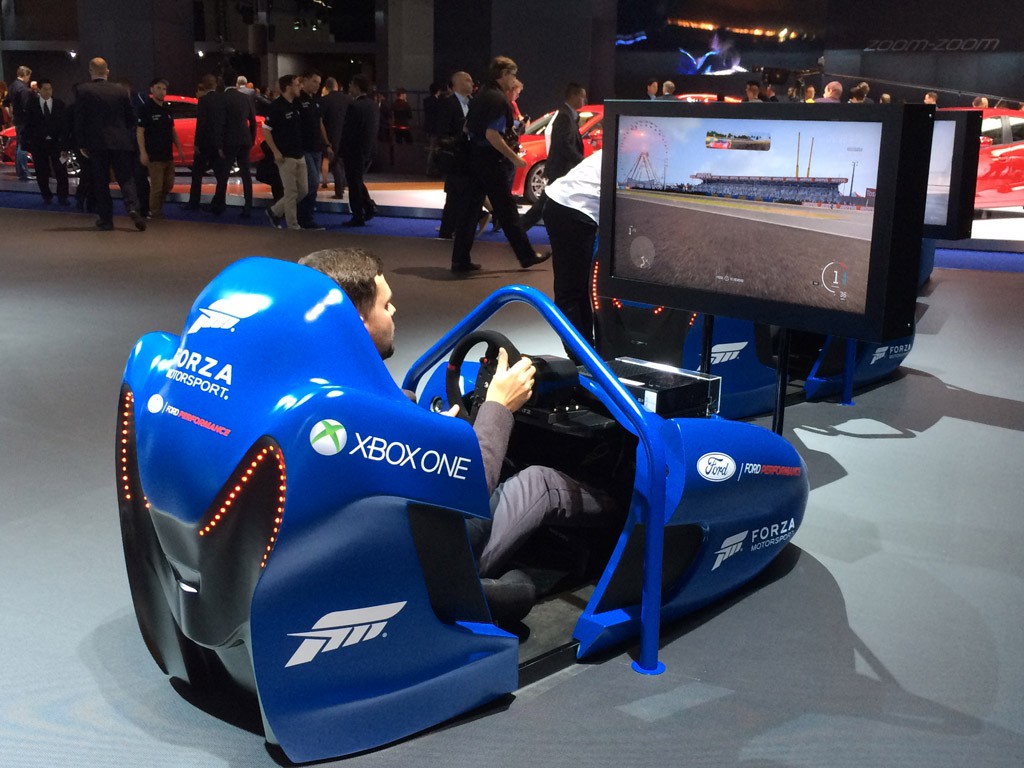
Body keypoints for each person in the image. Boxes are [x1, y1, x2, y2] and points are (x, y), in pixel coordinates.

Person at [297, 247, 615, 614]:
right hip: (422, 559)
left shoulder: (322, 387)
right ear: (357, 321)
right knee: (538, 482)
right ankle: (625, 513)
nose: (394, 311)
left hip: (371, 548)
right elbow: (470, 489)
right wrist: (499, 404)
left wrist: (427, 426)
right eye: (386, 305)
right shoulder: (371, 411)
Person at [450, 56, 549, 273]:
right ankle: (526, 255)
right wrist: (515, 158)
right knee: (507, 210)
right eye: (512, 75)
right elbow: (492, 135)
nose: (514, 79)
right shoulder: (497, 99)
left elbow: (467, 127)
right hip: (490, 161)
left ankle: (460, 259)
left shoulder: (480, 95)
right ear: (504, 74)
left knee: (469, 211)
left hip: (473, 159)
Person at [73, 57, 146, 231]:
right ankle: (133, 208)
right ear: (107, 71)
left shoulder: (83, 90)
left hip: (97, 143)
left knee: (101, 181)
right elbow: (131, 117)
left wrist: (81, 143)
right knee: (126, 178)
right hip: (120, 142)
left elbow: (79, 119)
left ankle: (106, 219)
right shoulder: (120, 90)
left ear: (90, 71)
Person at [542, 150, 602, 347]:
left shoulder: (622, 148)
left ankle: (586, 349)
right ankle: (578, 353)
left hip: (568, 207)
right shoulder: (625, 152)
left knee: (578, 289)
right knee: (569, 291)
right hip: (571, 210)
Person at [519, 82, 587, 231]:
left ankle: (520, 229)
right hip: (561, 169)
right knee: (543, 204)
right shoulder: (564, 116)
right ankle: (519, 229)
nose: (584, 100)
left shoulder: (569, 116)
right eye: (582, 96)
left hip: (563, 169)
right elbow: (564, 144)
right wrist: (581, 161)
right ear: (573, 96)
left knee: (547, 204)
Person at [263, 74, 307, 230]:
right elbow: (266, 130)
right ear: (288, 87)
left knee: (303, 190)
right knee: (291, 192)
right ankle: (293, 226)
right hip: (285, 156)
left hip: (299, 153)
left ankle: (274, 211)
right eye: (296, 84)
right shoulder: (276, 107)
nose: (300, 86)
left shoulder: (296, 104)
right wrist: (275, 151)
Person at [136, 78, 184, 219]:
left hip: (167, 154)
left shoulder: (167, 109)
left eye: (164, 89)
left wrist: (179, 148)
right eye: (158, 88)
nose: (162, 91)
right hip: (154, 155)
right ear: (152, 89)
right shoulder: (145, 109)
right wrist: (143, 152)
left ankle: (156, 207)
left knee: (168, 184)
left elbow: (172, 130)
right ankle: (154, 211)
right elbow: (140, 131)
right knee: (157, 186)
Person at [436, 70, 474, 239]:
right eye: (467, 80)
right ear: (457, 83)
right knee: (453, 197)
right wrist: (462, 134)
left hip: (469, 157)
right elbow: (442, 134)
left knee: (465, 196)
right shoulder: (448, 104)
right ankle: (446, 232)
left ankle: (459, 229)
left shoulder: (472, 103)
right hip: (455, 158)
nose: (471, 83)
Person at [340, 74, 379, 227]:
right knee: (357, 180)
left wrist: (341, 151)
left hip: (354, 150)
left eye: (351, 84)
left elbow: (349, 131)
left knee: (353, 183)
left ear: (356, 86)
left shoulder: (354, 106)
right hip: (368, 149)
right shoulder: (373, 105)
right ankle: (368, 207)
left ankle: (358, 214)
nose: (349, 87)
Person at [24, 79, 70, 205]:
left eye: (50, 89)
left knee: (61, 170)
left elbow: (65, 125)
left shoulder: (59, 104)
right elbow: (28, 124)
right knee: (41, 171)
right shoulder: (32, 105)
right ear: (39, 89)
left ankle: (63, 196)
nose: (48, 92)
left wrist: (64, 143)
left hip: (56, 143)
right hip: (39, 143)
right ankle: (46, 195)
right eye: (45, 89)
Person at [186, 74, 228, 213]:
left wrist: (197, 143)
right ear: (216, 84)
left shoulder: (203, 101)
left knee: (197, 174)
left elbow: (201, 124)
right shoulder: (223, 99)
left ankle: (194, 203)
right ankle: (219, 204)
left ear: (204, 86)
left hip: (205, 143)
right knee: (220, 175)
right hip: (218, 142)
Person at [296, 71, 331, 229]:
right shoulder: (298, 100)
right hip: (304, 148)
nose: (317, 85)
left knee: (312, 184)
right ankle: (303, 217)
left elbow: (320, 123)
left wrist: (326, 143)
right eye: (314, 81)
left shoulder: (317, 101)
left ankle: (306, 216)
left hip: (316, 148)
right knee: (311, 182)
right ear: (305, 81)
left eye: (319, 82)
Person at [222, 72, 258, 217]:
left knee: (224, 173)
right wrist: (252, 139)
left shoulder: (222, 98)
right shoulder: (246, 98)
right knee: (246, 174)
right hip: (244, 139)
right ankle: (248, 205)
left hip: (229, 140)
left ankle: (219, 204)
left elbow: (220, 122)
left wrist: (219, 143)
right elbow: (253, 121)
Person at [321, 76, 351, 198]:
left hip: (331, 136)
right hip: (347, 135)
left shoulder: (324, 101)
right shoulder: (348, 99)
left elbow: (321, 121)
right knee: (343, 163)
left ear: (326, 87)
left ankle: (339, 190)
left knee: (334, 163)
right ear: (337, 86)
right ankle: (343, 184)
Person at [8, 66, 36, 181]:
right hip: (24, 120)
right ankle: (24, 172)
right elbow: (26, 106)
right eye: (29, 76)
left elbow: (6, 102)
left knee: (18, 145)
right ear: (25, 75)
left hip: (17, 119)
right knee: (22, 146)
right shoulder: (23, 88)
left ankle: (20, 172)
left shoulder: (12, 86)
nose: (29, 79)